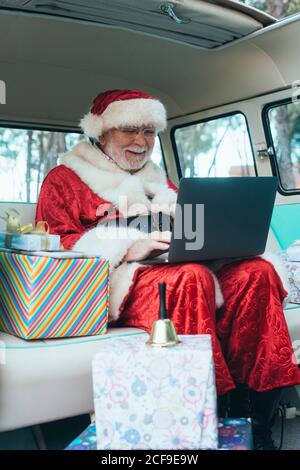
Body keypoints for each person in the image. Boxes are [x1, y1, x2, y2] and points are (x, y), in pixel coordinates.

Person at [36, 89, 300, 450]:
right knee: (189, 279)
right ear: (101, 132)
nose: (141, 142)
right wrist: (129, 246)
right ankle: (209, 415)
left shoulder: (161, 182)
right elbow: (53, 244)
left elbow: (191, 229)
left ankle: (255, 418)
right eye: (130, 130)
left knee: (256, 272)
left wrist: (218, 246)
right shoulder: (64, 180)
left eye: (148, 132)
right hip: (118, 279)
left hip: (177, 263)